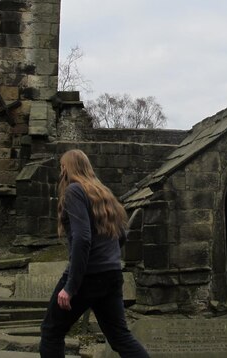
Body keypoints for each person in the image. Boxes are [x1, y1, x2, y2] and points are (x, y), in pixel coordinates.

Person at [40, 149, 149, 358]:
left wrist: (70, 287)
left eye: (62, 166)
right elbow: (122, 235)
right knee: (120, 337)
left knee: (51, 331)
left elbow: (82, 239)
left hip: (87, 276)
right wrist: (109, 257)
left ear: (68, 168)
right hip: (111, 275)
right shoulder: (103, 192)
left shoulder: (74, 191)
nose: (61, 171)